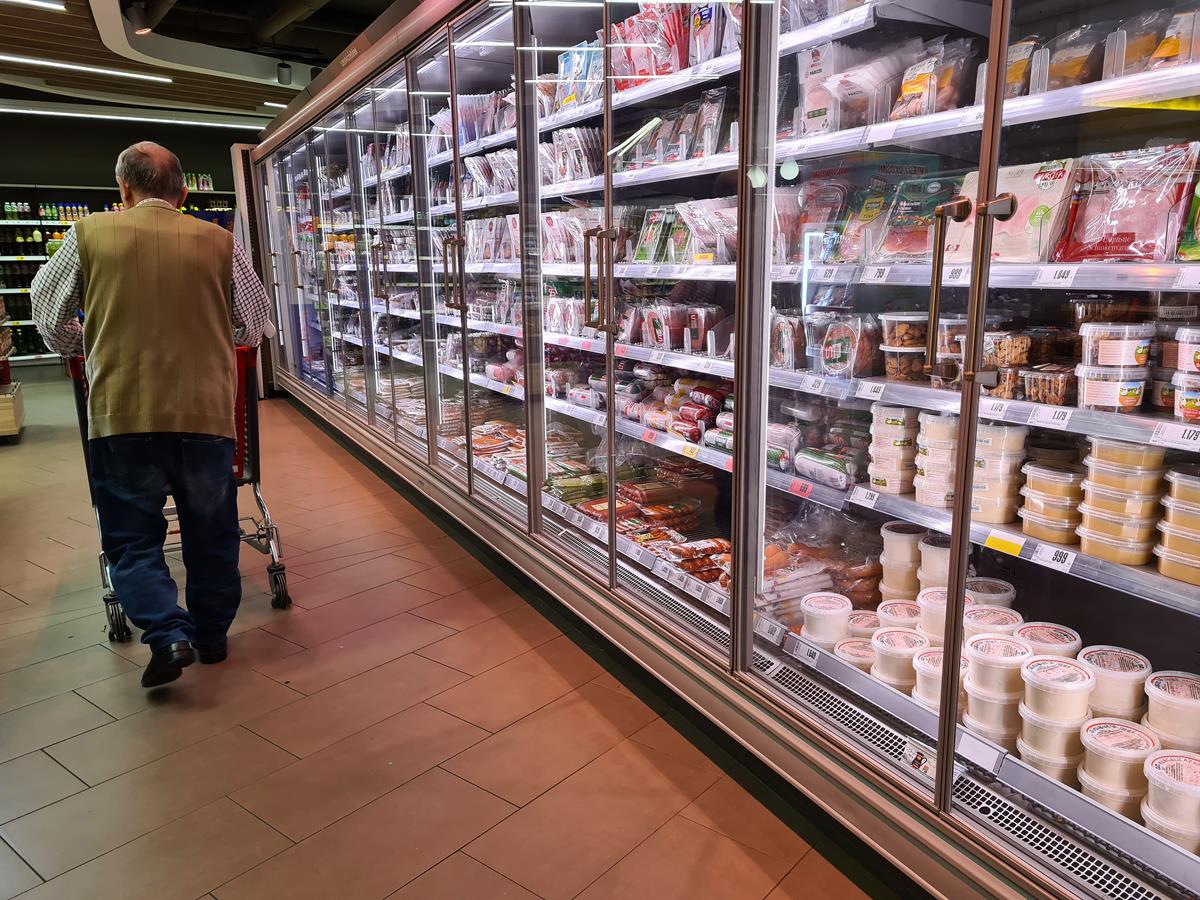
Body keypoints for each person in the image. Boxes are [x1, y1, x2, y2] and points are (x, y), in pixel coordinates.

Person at [32, 141, 272, 688]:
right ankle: (211, 638)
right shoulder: (220, 241)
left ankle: (166, 634)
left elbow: (48, 319)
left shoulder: (86, 234)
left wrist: (90, 343)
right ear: (183, 193)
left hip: (121, 413)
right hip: (205, 412)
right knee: (211, 531)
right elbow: (253, 323)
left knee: (132, 534)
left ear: (124, 189)